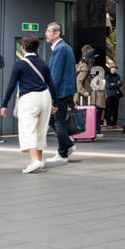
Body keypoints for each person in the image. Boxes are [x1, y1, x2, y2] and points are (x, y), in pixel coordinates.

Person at [1, 35, 55, 173]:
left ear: (23, 48)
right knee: (41, 130)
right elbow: (51, 84)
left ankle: (34, 161)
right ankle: (39, 160)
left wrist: (5, 104)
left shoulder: (19, 63)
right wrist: (55, 103)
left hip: (29, 98)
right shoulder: (43, 63)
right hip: (45, 97)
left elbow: (11, 85)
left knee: (28, 128)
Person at [45, 23, 77, 165]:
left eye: (48, 31)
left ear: (57, 33)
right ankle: (68, 145)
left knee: (57, 121)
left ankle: (62, 153)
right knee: (55, 121)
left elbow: (55, 75)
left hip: (59, 92)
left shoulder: (60, 49)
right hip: (65, 91)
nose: (46, 33)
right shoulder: (66, 48)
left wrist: (50, 94)